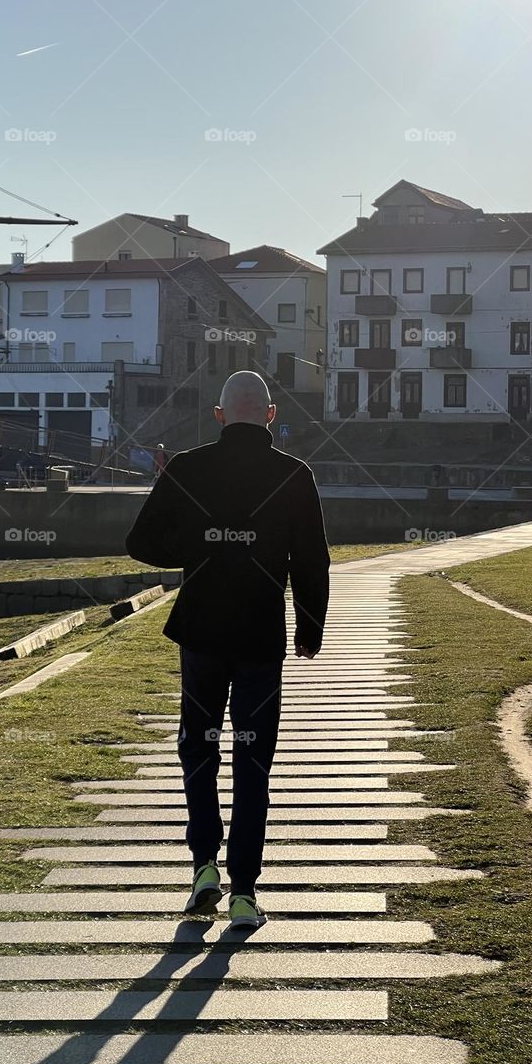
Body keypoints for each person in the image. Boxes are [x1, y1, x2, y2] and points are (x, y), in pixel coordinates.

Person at [125, 371, 330, 930]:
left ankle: (202, 868)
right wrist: (309, 629)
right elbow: (313, 560)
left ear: (219, 415)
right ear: (269, 415)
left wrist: (196, 546)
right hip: (261, 636)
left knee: (198, 749)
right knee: (253, 759)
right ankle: (245, 892)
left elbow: (139, 542)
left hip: (202, 632)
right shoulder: (294, 474)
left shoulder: (188, 469)